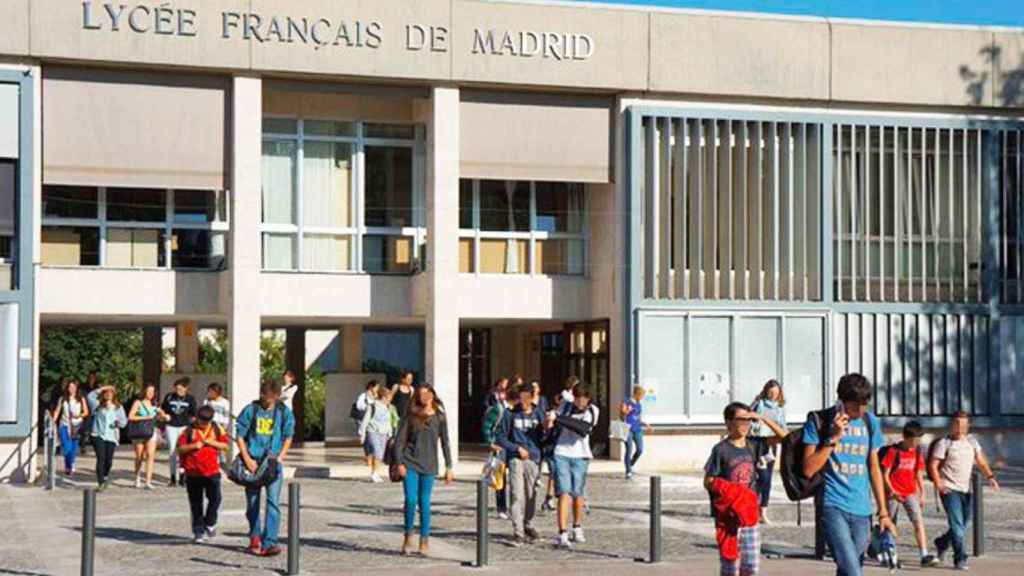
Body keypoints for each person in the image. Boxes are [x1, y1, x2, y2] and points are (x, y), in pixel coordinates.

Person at [802, 373, 895, 576]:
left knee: (848, 570)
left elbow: (873, 467)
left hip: (862, 510)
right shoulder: (819, 420)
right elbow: (808, 468)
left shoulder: (870, 423)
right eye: (854, 407)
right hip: (832, 505)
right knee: (853, 571)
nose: (860, 411)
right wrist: (833, 438)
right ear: (841, 401)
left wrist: (884, 512)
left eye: (865, 405)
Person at [704, 402, 788, 576]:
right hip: (728, 516)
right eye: (740, 420)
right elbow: (708, 480)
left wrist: (762, 418)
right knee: (730, 566)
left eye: (748, 421)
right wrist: (731, 492)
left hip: (749, 514)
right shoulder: (721, 449)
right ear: (728, 422)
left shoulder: (754, 444)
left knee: (751, 566)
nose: (745, 425)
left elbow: (784, 437)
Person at [928, 411, 1000, 570]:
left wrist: (990, 477)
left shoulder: (972, 442)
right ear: (952, 425)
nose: (960, 428)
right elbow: (933, 465)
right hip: (949, 489)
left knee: (964, 523)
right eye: (957, 424)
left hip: (966, 489)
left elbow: (980, 461)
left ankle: (942, 542)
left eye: (964, 425)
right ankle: (960, 559)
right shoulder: (944, 443)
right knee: (957, 525)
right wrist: (939, 482)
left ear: (968, 426)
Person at [235, 379, 296, 557]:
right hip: (253, 461)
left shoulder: (284, 412)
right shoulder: (251, 410)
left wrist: (280, 457)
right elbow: (240, 435)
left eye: (272, 399)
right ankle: (255, 536)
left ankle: (270, 541)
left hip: (272, 463)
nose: (268, 402)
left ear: (277, 397)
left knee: (273, 503)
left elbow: (288, 436)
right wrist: (246, 458)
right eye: (266, 398)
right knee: (253, 503)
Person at [394, 384, 454, 556]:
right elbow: (399, 441)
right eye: (421, 394)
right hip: (410, 463)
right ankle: (408, 536)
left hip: (429, 465)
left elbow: (445, 442)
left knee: (425, 502)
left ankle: (424, 540)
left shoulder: (440, 417)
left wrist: (449, 466)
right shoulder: (411, 416)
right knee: (411, 500)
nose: (424, 396)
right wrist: (399, 463)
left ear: (433, 395)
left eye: (427, 393)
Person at [548, 385, 599, 548]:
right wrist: (553, 417)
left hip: (581, 455)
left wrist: (558, 417)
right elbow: (555, 420)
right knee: (564, 492)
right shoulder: (567, 405)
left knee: (577, 493)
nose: (580, 401)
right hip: (561, 452)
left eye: (583, 398)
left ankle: (577, 526)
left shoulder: (593, 411)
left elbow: (582, 429)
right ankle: (562, 532)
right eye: (577, 398)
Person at [880, 421, 937, 567]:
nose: (915, 443)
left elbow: (918, 473)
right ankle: (890, 554)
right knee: (891, 523)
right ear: (905, 437)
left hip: (910, 492)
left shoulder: (917, 452)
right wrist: (891, 491)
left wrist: (922, 493)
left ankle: (924, 554)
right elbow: (885, 474)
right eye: (913, 440)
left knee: (918, 521)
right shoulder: (893, 452)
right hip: (893, 492)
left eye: (918, 440)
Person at [497, 383, 546, 546]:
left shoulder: (539, 413)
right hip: (516, 458)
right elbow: (500, 437)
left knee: (531, 494)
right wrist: (516, 448)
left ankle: (528, 524)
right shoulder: (510, 414)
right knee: (517, 494)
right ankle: (518, 531)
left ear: (532, 397)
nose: (524, 402)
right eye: (521, 398)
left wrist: (549, 428)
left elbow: (545, 437)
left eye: (527, 398)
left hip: (533, 458)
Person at [178, 405, 229, 543]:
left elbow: (225, 446)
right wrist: (194, 446)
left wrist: (212, 442)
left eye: (206, 422)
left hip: (212, 471)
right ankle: (198, 531)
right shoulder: (189, 430)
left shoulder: (217, 429)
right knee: (196, 503)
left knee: (216, 498)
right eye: (201, 421)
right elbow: (180, 449)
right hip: (193, 472)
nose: (203, 424)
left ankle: (210, 522)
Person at [750, 380, 787, 524]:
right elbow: (749, 415)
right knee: (753, 476)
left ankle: (763, 510)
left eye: (776, 393)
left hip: (771, 443)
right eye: (771, 392)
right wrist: (755, 401)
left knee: (766, 478)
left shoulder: (780, 408)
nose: (773, 395)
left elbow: (783, 425)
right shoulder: (760, 403)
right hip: (756, 442)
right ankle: (751, 508)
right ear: (766, 391)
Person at [161, 377, 198, 486]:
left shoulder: (190, 399)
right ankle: (172, 477)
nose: (178, 391)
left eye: (181, 389)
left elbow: (194, 415)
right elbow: (162, 409)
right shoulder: (169, 397)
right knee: (172, 451)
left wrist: (193, 427)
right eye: (177, 389)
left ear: (186, 388)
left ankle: (183, 476)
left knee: (183, 451)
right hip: (171, 426)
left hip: (184, 427)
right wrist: (163, 415)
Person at [481, 384, 510, 520]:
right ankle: (501, 507)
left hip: (513, 445)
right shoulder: (498, 409)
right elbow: (487, 426)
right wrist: (490, 443)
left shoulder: (516, 409)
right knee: (500, 476)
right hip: (500, 446)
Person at [91, 385, 127, 491]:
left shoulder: (118, 407)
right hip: (98, 435)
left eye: (111, 392)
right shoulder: (97, 405)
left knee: (108, 460)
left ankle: (105, 476)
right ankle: (100, 481)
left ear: (114, 395)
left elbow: (124, 423)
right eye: (106, 392)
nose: (109, 394)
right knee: (101, 458)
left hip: (111, 436)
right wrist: (103, 387)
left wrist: (117, 423)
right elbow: (90, 396)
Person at [128, 383, 163, 489]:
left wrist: (163, 415)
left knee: (150, 456)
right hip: (140, 431)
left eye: (152, 392)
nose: (150, 394)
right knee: (139, 456)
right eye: (149, 391)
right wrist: (145, 417)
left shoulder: (155, 404)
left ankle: (148, 481)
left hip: (151, 431)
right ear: (144, 392)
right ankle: (137, 477)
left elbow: (161, 415)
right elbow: (131, 416)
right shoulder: (138, 402)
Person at [52, 379, 89, 477]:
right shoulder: (62, 399)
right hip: (64, 425)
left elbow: (86, 412)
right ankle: (69, 465)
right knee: (66, 447)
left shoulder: (81, 399)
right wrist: (53, 421)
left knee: (73, 448)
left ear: (77, 388)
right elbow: (57, 411)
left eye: (73, 387)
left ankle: (70, 465)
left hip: (76, 425)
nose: (71, 389)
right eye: (70, 387)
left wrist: (78, 415)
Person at [358, 381, 393, 483]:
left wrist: (389, 432)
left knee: (379, 454)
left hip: (384, 433)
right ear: (384, 397)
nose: (390, 400)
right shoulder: (372, 406)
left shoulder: (388, 407)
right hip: (373, 431)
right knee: (377, 452)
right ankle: (374, 474)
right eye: (389, 398)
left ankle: (375, 472)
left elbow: (388, 420)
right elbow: (365, 420)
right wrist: (362, 434)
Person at [621, 385, 651, 481]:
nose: (642, 398)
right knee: (629, 449)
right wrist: (627, 410)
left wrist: (646, 424)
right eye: (641, 395)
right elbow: (622, 412)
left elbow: (638, 417)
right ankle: (628, 471)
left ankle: (630, 464)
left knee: (640, 449)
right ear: (637, 394)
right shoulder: (626, 401)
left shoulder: (639, 405)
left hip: (637, 429)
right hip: (628, 429)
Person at [354, 380, 376, 469]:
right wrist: (369, 407)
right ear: (371, 387)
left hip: (372, 421)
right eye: (376, 387)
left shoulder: (375, 396)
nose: (377, 389)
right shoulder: (363, 396)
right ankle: (368, 457)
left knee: (372, 439)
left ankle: (371, 458)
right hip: (363, 420)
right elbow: (359, 406)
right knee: (367, 439)